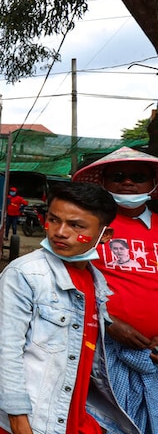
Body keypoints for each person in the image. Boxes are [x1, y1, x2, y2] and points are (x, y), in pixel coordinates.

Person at [0, 182, 139, 434]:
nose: (60, 232)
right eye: (54, 219)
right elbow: (5, 353)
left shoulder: (96, 281)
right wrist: (20, 423)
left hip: (68, 416)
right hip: (25, 421)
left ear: (105, 235)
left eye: (76, 225)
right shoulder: (25, 275)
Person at [72, 147, 158, 434]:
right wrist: (108, 321)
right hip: (101, 346)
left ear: (153, 184)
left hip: (153, 354)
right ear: (105, 184)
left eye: (138, 177)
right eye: (118, 177)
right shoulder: (92, 226)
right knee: (101, 422)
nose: (128, 183)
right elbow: (71, 281)